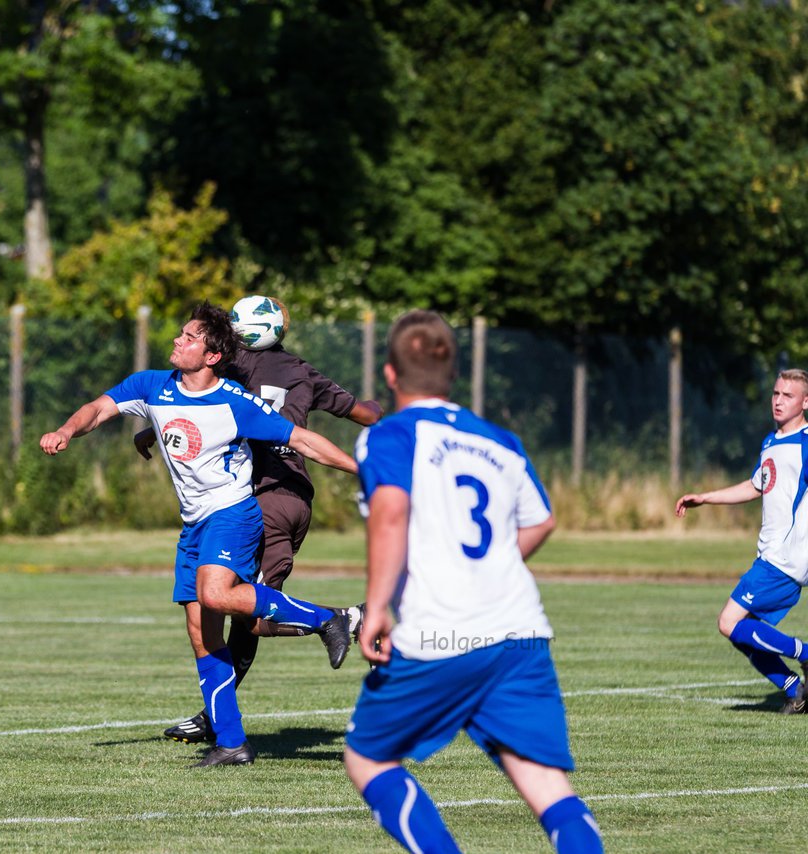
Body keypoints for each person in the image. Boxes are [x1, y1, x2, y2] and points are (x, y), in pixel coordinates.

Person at [40, 302, 359, 767]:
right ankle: (232, 743)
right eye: (180, 334)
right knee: (202, 633)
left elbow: (304, 440)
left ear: (211, 357)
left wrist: (363, 470)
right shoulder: (153, 386)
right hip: (193, 523)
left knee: (216, 595)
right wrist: (68, 430)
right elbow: (97, 409)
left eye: (189, 338)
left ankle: (327, 618)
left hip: (233, 515)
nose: (177, 341)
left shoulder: (234, 401)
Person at [346, 310, 603, 853]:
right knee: (545, 784)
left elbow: (390, 513)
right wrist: (490, 567)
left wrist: (377, 608)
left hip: (442, 632)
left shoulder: (390, 434)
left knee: (367, 757)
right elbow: (541, 519)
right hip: (520, 633)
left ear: (390, 374)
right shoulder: (500, 440)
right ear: (452, 374)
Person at [145, 296, 382, 745]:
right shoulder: (302, 370)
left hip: (260, 498)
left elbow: (200, 397)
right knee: (237, 606)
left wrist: (147, 430)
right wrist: (381, 412)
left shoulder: (231, 368)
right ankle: (217, 715)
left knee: (244, 609)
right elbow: (363, 414)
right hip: (295, 498)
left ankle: (350, 619)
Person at [675, 368, 808, 715]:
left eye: (788, 396)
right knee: (740, 631)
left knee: (728, 622)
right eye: (776, 393)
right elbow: (755, 486)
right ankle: (794, 688)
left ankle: (806, 656)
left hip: (786, 558)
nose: (778, 401)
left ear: (805, 402)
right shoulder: (771, 441)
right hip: (770, 555)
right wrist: (704, 498)